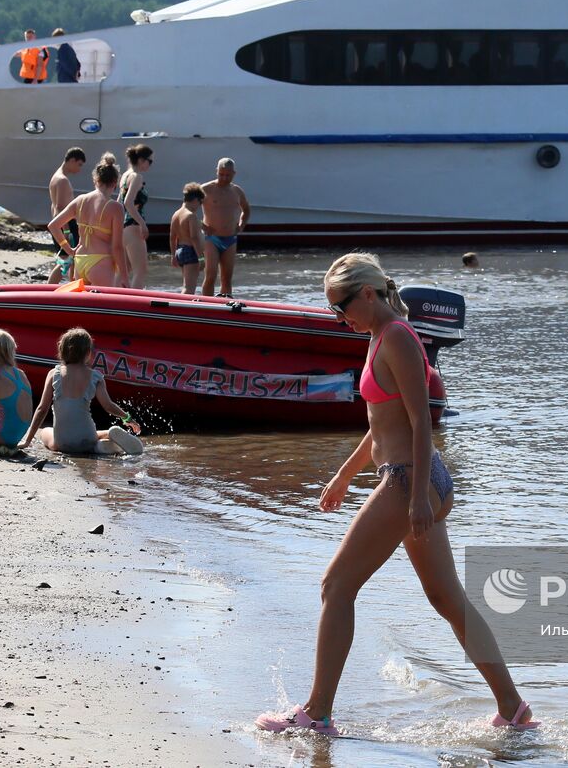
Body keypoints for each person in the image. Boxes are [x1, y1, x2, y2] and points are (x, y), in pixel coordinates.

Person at [255, 253, 538, 737]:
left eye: (341, 306)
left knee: (336, 585)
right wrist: (345, 475)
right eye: (332, 310)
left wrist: (417, 499)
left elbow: (421, 423)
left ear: (367, 293)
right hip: (412, 479)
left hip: (411, 481)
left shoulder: (401, 338)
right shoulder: (377, 338)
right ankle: (513, 709)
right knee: (447, 598)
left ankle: (316, 713)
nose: (339, 317)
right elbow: (379, 426)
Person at [20, 328, 143, 455]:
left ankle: (103, 444)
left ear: (62, 350)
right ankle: (105, 441)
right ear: (88, 352)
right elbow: (108, 406)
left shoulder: (53, 374)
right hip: (88, 438)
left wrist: (27, 441)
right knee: (95, 435)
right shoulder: (96, 377)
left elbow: (42, 409)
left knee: (45, 431)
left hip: (63, 444)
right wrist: (127, 417)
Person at [48, 157, 127, 286]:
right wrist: (124, 276)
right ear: (115, 182)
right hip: (101, 261)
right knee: (102, 305)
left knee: (84, 303)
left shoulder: (80, 200)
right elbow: (117, 247)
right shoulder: (115, 207)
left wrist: (69, 250)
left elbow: (53, 226)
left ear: (95, 180)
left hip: (80, 260)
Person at [201, 157, 250, 297]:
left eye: (227, 175)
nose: (224, 177)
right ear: (216, 171)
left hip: (230, 239)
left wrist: (241, 225)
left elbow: (246, 209)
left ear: (234, 174)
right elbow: (187, 211)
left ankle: (225, 306)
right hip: (211, 239)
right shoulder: (206, 189)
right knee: (210, 275)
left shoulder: (237, 191)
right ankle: (206, 305)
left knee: (227, 278)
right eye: (221, 174)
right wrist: (203, 225)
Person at [47, 147, 87, 283]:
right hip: (66, 226)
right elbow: (59, 207)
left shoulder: (55, 177)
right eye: (79, 165)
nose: (79, 169)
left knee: (72, 260)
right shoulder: (62, 180)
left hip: (60, 225)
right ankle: (48, 291)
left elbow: (54, 206)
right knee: (66, 260)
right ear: (72, 160)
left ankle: (71, 288)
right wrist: (66, 232)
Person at [119, 144, 154, 289]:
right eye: (149, 161)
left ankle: (112, 300)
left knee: (125, 271)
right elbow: (128, 202)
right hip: (133, 226)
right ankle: (135, 304)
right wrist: (143, 224)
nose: (150, 165)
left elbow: (120, 202)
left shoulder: (125, 176)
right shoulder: (136, 176)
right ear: (141, 160)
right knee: (141, 270)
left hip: (124, 228)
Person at [169, 182, 206, 295]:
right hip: (191, 251)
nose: (200, 206)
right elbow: (194, 237)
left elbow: (172, 237)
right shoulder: (191, 216)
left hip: (180, 250)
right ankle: (181, 309)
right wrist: (201, 258)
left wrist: (173, 255)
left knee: (186, 284)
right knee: (189, 288)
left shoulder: (176, 214)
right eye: (200, 202)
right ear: (195, 200)